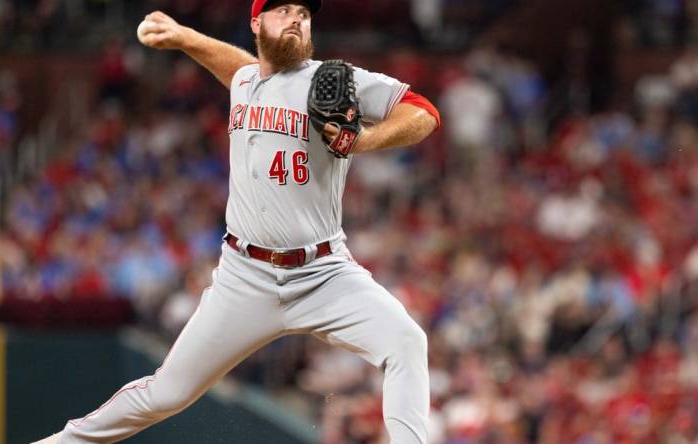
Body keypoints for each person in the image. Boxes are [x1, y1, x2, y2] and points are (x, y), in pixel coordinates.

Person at [35, 0, 440, 442]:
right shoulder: (246, 80)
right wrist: (184, 37)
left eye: (304, 14)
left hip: (324, 272)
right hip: (246, 276)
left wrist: (366, 139)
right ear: (256, 22)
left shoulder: (330, 80)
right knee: (168, 393)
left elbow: (423, 112)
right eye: (283, 10)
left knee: (407, 342)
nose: (296, 19)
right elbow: (237, 66)